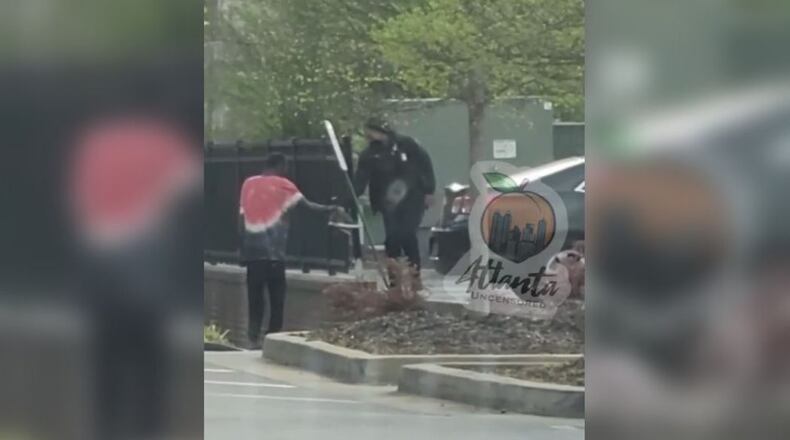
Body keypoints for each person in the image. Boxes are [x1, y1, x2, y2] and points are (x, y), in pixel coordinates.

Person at [239, 153, 344, 349]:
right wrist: (332, 208)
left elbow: (241, 217)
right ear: (281, 166)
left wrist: (242, 247)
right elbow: (308, 207)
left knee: (255, 298)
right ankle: (272, 337)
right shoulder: (284, 185)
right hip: (275, 254)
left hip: (253, 253)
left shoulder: (248, 184)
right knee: (277, 299)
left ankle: (252, 338)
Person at [354, 118, 436, 283]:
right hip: (388, 201)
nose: (368, 136)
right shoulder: (369, 154)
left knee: (407, 233)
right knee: (392, 237)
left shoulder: (408, 145)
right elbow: (362, 177)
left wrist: (429, 190)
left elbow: (425, 165)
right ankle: (394, 277)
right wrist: (353, 193)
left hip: (413, 197)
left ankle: (414, 274)